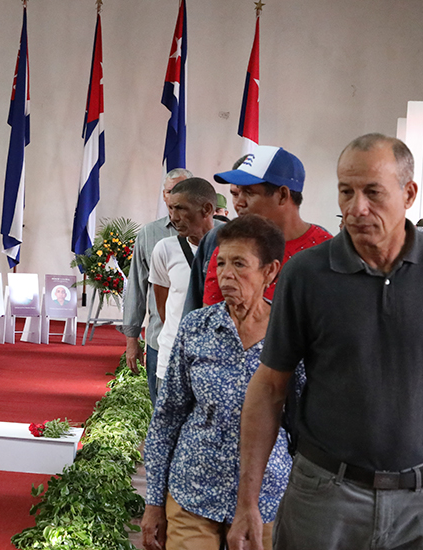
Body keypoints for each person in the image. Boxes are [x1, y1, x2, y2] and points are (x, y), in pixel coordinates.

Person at [228, 134, 423, 550]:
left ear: (409, 193)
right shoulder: (306, 274)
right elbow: (268, 388)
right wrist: (247, 501)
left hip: (420, 503)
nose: (357, 208)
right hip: (326, 498)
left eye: (373, 192)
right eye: (346, 191)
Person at [142, 215, 289, 550]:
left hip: (266, 496)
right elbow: (167, 418)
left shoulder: (288, 333)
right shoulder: (196, 327)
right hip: (193, 491)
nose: (225, 274)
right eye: (220, 263)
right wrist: (153, 502)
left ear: (270, 271)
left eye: (239, 264)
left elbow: (302, 422)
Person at [184, 146, 331, 315]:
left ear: (282, 195)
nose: (239, 203)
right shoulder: (227, 249)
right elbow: (208, 325)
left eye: (248, 193)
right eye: (236, 194)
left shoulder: (326, 253)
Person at [120, 168, 193, 403]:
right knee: (160, 414)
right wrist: (132, 340)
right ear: (164, 196)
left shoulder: (214, 235)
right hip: (158, 340)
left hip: (197, 343)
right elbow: (137, 289)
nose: (176, 197)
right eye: (171, 192)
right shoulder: (150, 234)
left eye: (182, 190)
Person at [149, 177, 218, 387]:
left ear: (206, 209)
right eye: (171, 208)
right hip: (172, 358)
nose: (173, 217)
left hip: (214, 362)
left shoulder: (232, 249)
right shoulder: (164, 249)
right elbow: (162, 306)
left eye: (180, 208)